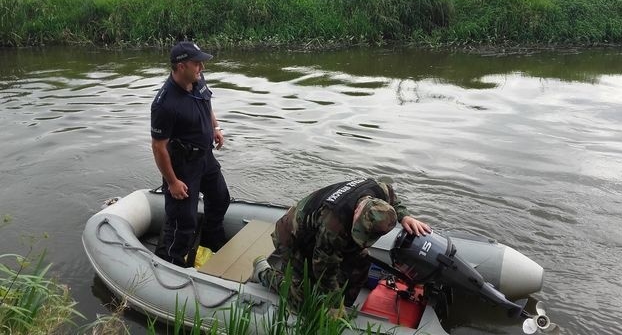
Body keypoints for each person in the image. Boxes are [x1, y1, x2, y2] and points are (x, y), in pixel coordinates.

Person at [251, 178, 431, 310]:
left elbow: (392, 196)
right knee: (303, 300)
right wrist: (332, 304)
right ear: (357, 212)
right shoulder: (334, 224)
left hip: (319, 227)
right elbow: (323, 270)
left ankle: (347, 304)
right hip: (292, 236)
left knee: (361, 262)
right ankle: (263, 273)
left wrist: (404, 215)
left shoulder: (379, 190)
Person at [150, 41, 230, 267]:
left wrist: (215, 128)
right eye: (197, 64)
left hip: (206, 157)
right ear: (181, 66)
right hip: (182, 165)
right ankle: (170, 263)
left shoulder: (197, 80)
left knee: (220, 199)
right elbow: (158, 147)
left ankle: (212, 242)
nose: (202, 68)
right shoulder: (165, 104)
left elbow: (207, 105)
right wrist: (173, 182)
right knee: (183, 221)